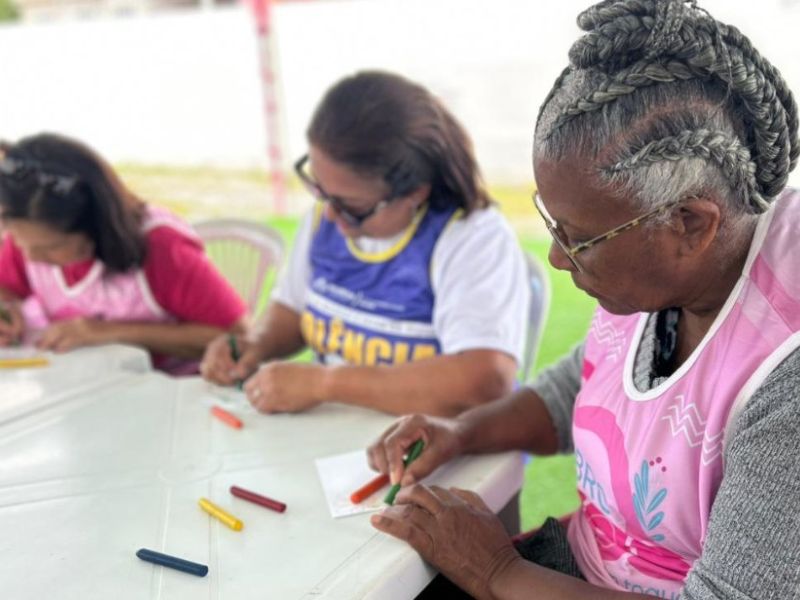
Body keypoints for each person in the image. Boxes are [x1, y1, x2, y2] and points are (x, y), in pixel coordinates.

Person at [366, 1, 800, 598]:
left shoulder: (786, 379)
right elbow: (587, 383)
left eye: (580, 239)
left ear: (691, 225)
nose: (556, 256)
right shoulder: (663, 278)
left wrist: (498, 572)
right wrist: (462, 431)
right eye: (554, 224)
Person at [201, 71, 530, 416]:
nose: (330, 215)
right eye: (320, 189)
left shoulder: (469, 236)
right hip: (339, 447)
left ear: (416, 192)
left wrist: (324, 383)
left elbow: (485, 379)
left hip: (438, 453)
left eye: (352, 206)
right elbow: (294, 309)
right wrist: (257, 344)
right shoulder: (326, 218)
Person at [0, 133, 248, 374]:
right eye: (19, 243)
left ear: (96, 227)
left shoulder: (162, 250)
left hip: (175, 391)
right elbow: (6, 288)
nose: (32, 258)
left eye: (52, 248)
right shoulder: (30, 236)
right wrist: (6, 310)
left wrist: (104, 332)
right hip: (89, 385)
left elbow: (238, 338)